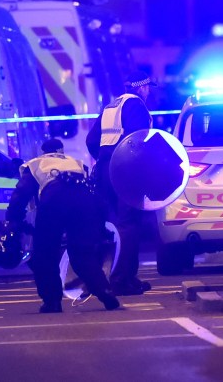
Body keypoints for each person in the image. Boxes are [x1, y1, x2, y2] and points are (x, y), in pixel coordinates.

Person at [7, 139, 120, 313]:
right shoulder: (76, 163)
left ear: (43, 152)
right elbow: (94, 189)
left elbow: (20, 195)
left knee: (45, 254)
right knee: (82, 254)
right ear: (61, 150)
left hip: (54, 200)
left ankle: (52, 302)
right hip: (86, 202)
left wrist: (13, 219)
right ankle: (106, 292)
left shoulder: (37, 164)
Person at [86, 70, 154, 295]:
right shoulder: (137, 106)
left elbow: (91, 140)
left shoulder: (110, 106)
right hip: (126, 170)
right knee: (130, 224)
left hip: (106, 170)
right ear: (141, 87)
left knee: (113, 225)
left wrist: (104, 159)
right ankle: (121, 279)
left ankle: (110, 277)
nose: (149, 91)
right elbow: (139, 140)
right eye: (148, 87)